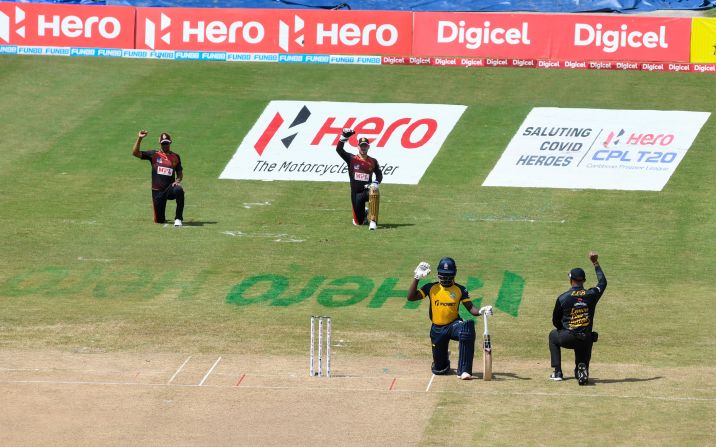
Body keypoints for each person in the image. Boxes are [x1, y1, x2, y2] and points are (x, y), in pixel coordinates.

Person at [407, 257, 493, 380]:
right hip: (437, 329)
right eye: (443, 275)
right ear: (438, 274)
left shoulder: (460, 289)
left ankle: (464, 371)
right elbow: (411, 297)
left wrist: (481, 311)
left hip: (453, 325)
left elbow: (470, 308)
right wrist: (417, 277)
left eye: (448, 275)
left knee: (467, 329)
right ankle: (443, 361)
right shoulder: (430, 287)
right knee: (440, 370)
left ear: (454, 275)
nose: (445, 278)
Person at [548, 251, 607, 385]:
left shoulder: (563, 298)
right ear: (584, 280)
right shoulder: (591, 294)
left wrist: (564, 329)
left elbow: (555, 321)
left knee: (552, 336)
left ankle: (557, 372)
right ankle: (581, 369)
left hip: (568, 337)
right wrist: (595, 263)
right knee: (584, 342)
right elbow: (602, 282)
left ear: (571, 280)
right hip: (586, 339)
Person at [132, 130, 185, 227]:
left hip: (170, 189)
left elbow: (180, 174)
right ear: (160, 143)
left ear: (170, 142)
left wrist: (177, 181)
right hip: (157, 191)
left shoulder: (175, 156)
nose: (165, 145)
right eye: (163, 143)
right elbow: (135, 153)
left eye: (167, 143)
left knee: (179, 190)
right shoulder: (153, 154)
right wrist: (140, 138)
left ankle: (178, 218)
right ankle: (161, 216)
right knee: (159, 221)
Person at [335, 128, 383, 230]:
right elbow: (339, 150)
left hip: (367, 191)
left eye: (365, 146)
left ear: (368, 147)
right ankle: (364, 213)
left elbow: (379, 174)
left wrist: (375, 182)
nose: (363, 148)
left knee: (374, 191)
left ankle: (373, 221)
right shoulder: (351, 159)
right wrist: (344, 137)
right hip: (356, 193)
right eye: (361, 146)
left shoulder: (373, 161)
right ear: (358, 147)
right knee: (359, 222)